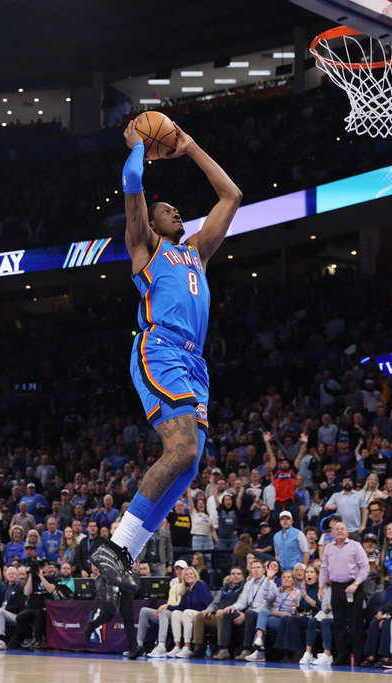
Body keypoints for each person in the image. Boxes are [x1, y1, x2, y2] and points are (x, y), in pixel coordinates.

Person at [91, 117, 242, 608]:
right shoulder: (145, 248)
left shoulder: (195, 251)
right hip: (161, 348)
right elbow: (134, 184)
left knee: (190, 460)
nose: (175, 211)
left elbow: (231, 196)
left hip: (194, 362)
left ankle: (122, 554)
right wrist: (138, 143)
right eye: (166, 210)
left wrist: (191, 145)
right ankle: (113, 548)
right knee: (179, 451)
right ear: (151, 225)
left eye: (176, 209)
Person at [318, 521, 369, 665]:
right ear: (333, 533)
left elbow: (365, 568)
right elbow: (324, 569)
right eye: (337, 529)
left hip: (353, 586)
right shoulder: (328, 548)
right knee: (339, 623)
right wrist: (321, 587)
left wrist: (356, 583)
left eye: (343, 528)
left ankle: (358, 657)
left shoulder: (355, 546)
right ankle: (342, 656)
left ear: (347, 532)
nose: (340, 531)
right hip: (336, 588)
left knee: (356, 624)